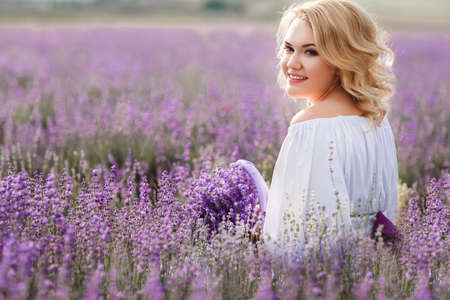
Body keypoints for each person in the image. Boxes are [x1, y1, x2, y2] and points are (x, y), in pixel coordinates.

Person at [260, 0, 399, 259]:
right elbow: (387, 217)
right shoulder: (377, 119)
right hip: (372, 274)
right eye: (289, 48)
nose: (292, 63)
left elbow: (295, 242)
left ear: (342, 59)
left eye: (310, 52)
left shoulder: (311, 127)